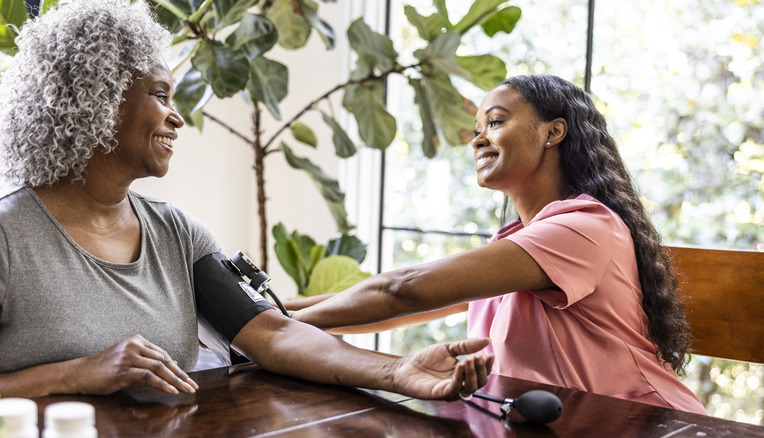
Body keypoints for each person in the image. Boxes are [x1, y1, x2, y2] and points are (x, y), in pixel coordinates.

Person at [0, 0, 494, 399]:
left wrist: (396, 369)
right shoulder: (8, 236)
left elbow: (272, 333)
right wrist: (75, 373)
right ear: (97, 98)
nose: (177, 118)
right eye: (159, 95)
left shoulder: (177, 234)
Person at [290, 74, 708, 415]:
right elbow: (397, 310)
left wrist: (265, 323)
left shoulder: (584, 228)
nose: (477, 140)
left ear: (553, 132)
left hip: (649, 423)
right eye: (477, 130)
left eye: (494, 122)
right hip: (562, 424)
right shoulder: (515, 243)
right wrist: (276, 312)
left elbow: (404, 289)